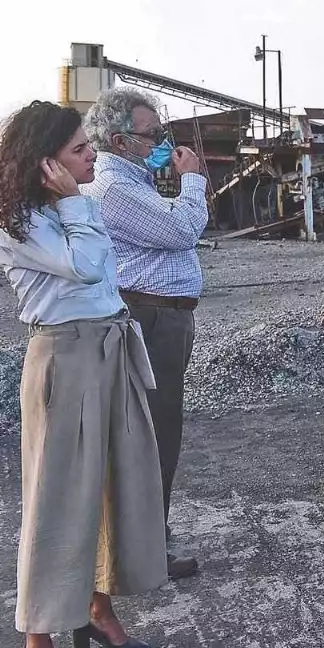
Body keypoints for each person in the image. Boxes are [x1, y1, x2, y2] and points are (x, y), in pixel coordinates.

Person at [1, 101, 167, 648]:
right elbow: (88, 265)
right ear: (45, 163)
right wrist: (74, 204)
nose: (92, 152)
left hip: (108, 349)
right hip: (66, 358)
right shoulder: (18, 220)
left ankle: (96, 607)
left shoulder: (74, 202)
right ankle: (39, 633)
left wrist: (75, 202)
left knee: (112, 487)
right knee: (57, 497)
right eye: (78, 149)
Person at [80, 87, 206, 580]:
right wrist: (191, 181)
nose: (162, 142)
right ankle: (146, 549)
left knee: (155, 430)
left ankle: (146, 538)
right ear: (120, 139)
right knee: (156, 432)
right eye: (153, 135)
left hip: (159, 317)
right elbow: (180, 232)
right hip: (150, 319)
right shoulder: (114, 189)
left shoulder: (134, 182)